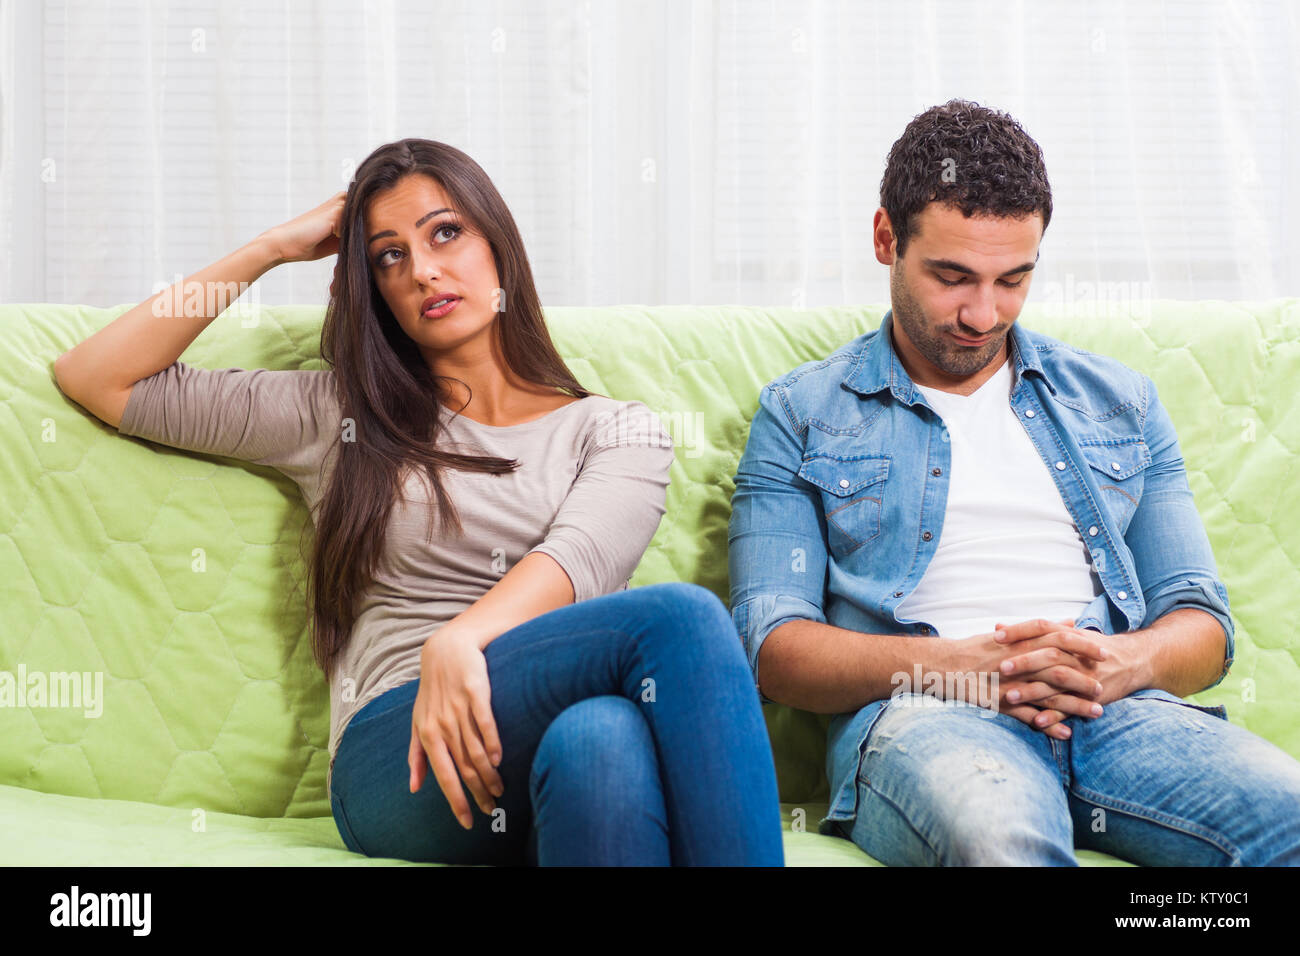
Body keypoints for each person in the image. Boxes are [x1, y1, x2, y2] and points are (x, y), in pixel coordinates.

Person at [54, 138, 784, 866]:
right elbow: (98, 378)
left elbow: (581, 561)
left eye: (445, 232)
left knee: (602, 741)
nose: (424, 269)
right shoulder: (339, 416)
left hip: (538, 747)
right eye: (388, 256)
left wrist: (461, 636)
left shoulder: (616, 430)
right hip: (396, 759)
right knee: (682, 618)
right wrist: (272, 247)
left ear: (497, 243)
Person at [727, 99, 1300, 865]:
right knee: (998, 842)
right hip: (928, 715)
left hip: (1112, 707)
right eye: (952, 276)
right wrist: (964, 666)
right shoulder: (803, 413)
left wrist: (1124, 662)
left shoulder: (1118, 401)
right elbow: (771, 648)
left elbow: (1202, 622)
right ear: (884, 239)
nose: (982, 313)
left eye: (1013, 280)